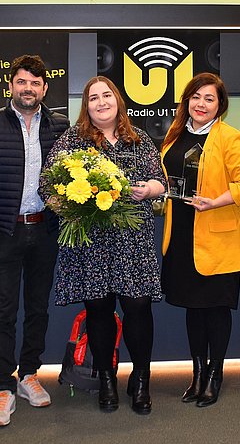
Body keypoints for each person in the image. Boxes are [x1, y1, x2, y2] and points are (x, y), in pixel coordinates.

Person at [43, 76, 166, 414]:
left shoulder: (138, 138)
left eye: (106, 95)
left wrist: (150, 190)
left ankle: (141, 379)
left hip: (132, 242)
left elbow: (162, 181)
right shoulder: (73, 140)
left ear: (117, 100)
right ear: (87, 105)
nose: (101, 102)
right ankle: (107, 379)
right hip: (90, 245)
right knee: (99, 312)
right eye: (93, 97)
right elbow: (46, 184)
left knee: (138, 308)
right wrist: (68, 202)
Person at [0, 54, 69, 427]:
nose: (28, 88)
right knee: (4, 312)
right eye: (22, 81)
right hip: (2, 232)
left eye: (35, 83)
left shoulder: (60, 125)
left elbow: (73, 174)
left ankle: (29, 375)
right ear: (10, 84)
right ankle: (3, 386)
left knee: (38, 308)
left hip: (45, 230)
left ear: (44, 88)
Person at [160, 72, 240, 408]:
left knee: (215, 310)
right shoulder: (174, 136)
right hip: (181, 237)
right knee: (193, 308)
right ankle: (198, 373)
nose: (201, 104)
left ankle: (215, 375)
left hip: (217, 237)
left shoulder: (230, 139)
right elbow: (168, 183)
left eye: (209, 99)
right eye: (196, 97)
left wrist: (214, 201)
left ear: (220, 106)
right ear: (187, 100)